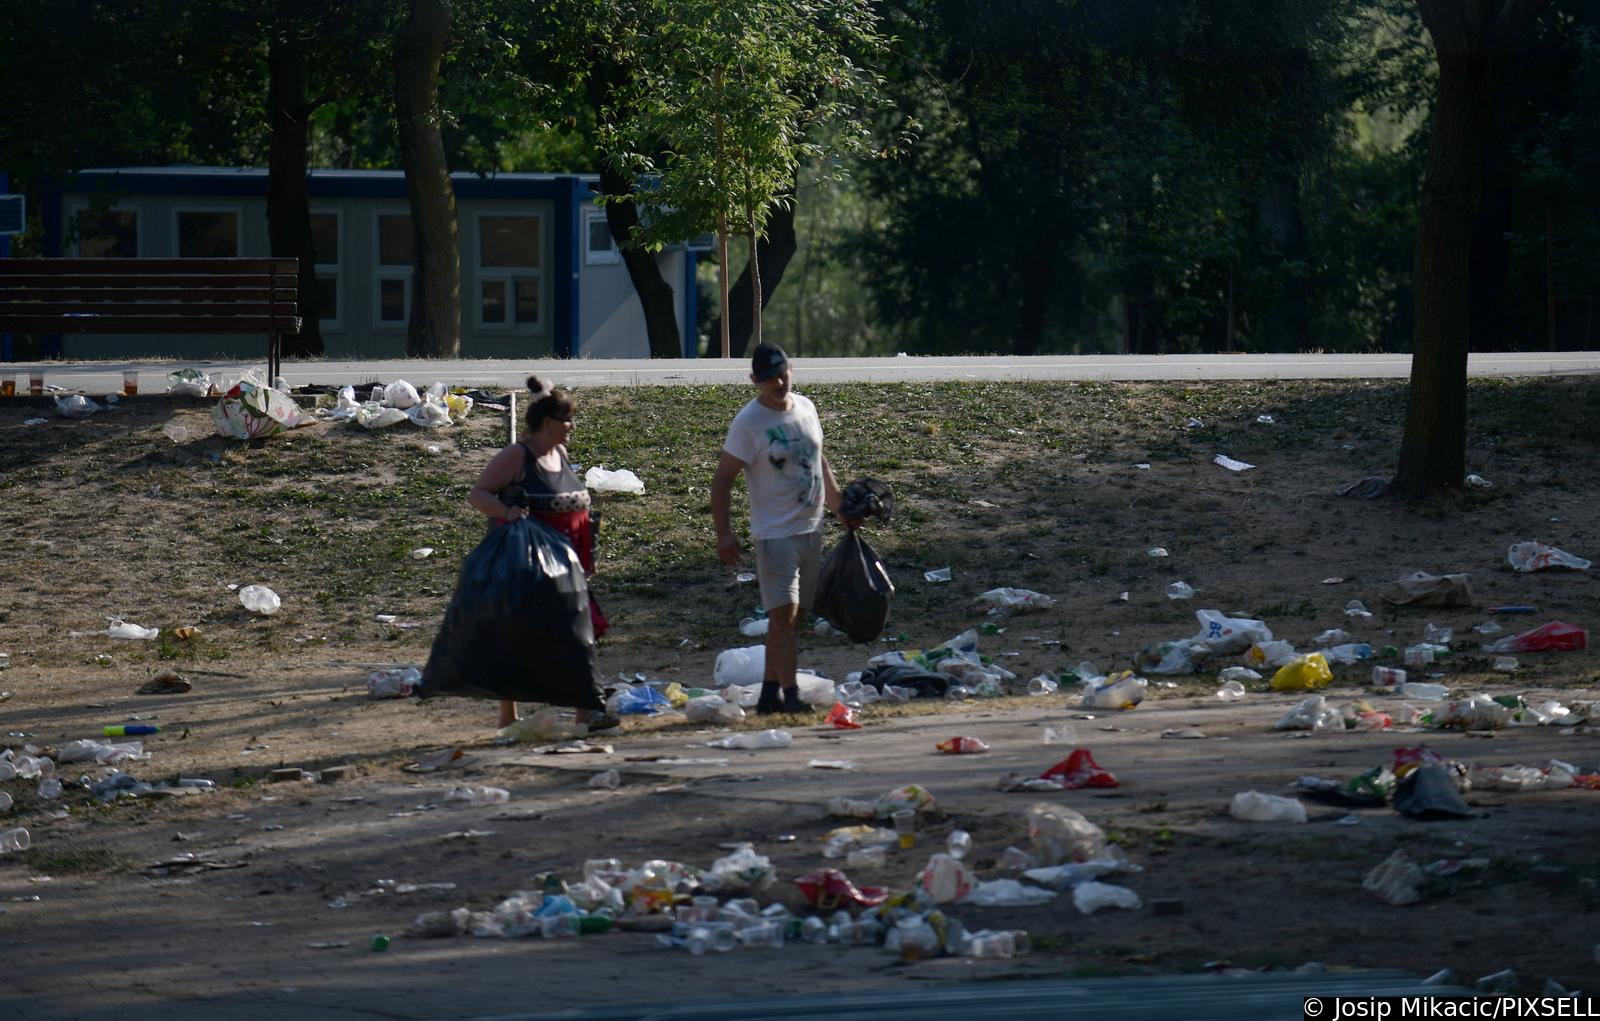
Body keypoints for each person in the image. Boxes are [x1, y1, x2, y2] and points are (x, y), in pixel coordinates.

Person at [467, 375, 618, 732]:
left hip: (566, 563)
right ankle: (508, 718)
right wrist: (508, 512)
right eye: (566, 419)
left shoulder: (560, 454)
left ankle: (586, 713)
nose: (572, 426)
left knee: (581, 632)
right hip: (525, 565)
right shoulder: (516, 457)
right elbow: (478, 495)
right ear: (548, 423)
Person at [711, 342, 849, 715]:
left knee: (794, 618)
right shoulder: (749, 422)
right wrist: (724, 533)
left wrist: (838, 506)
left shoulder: (805, 407)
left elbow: (818, 459)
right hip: (775, 536)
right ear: (755, 380)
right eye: (770, 377)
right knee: (782, 617)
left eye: (783, 372)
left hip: (811, 528)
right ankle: (791, 696)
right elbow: (722, 480)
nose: (779, 381)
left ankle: (770, 692)